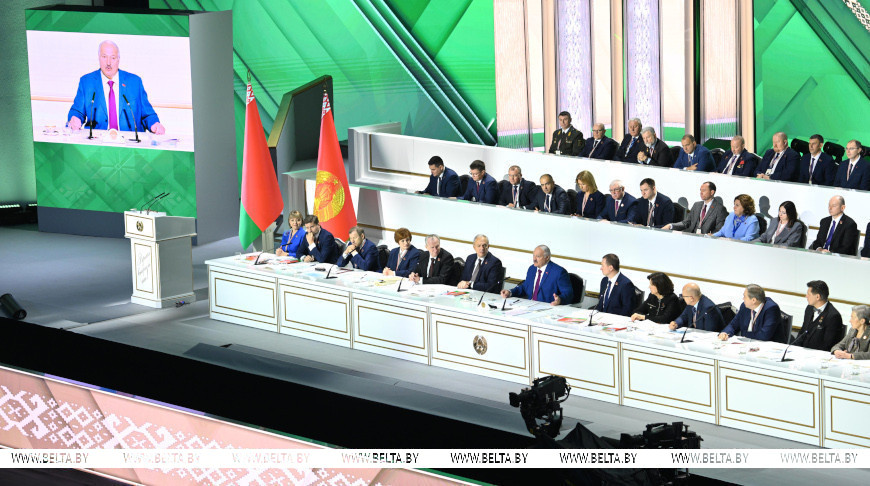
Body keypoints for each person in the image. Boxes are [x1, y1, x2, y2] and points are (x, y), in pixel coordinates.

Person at [68, 40, 164, 134]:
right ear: (99, 57)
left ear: (118, 59)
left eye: (113, 58)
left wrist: (154, 124)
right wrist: (74, 118)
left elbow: (148, 114)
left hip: (129, 141)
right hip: (98, 140)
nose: (108, 63)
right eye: (104, 57)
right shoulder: (87, 82)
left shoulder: (134, 82)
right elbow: (77, 111)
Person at [500, 245, 572, 305]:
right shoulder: (532, 269)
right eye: (533, 255)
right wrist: (510, 292)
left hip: (547, 308)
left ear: (547, 257)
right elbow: (525, 287)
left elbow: (568, 294)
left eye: (538, 256)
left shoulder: (559, 272)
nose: (534, 259)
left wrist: (560, 300)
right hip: (529, 306)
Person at [792, 280, 844, 351]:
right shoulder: (809, 308)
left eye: (808, 294)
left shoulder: (833, 316)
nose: (806, 296)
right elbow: (802, 332)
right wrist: (794, 348)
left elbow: (827, 345)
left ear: (817, 297)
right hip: (802, 351)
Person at [663, 181, 727, 234]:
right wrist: (671, 226)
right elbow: (686, 223)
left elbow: (719, 229)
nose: (701, 193)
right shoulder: (697, 205)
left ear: (712, 192)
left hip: (706, 240)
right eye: (700, 190)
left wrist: (708, 236)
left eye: (704, 190)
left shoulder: (720, 209)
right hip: (691, 236)